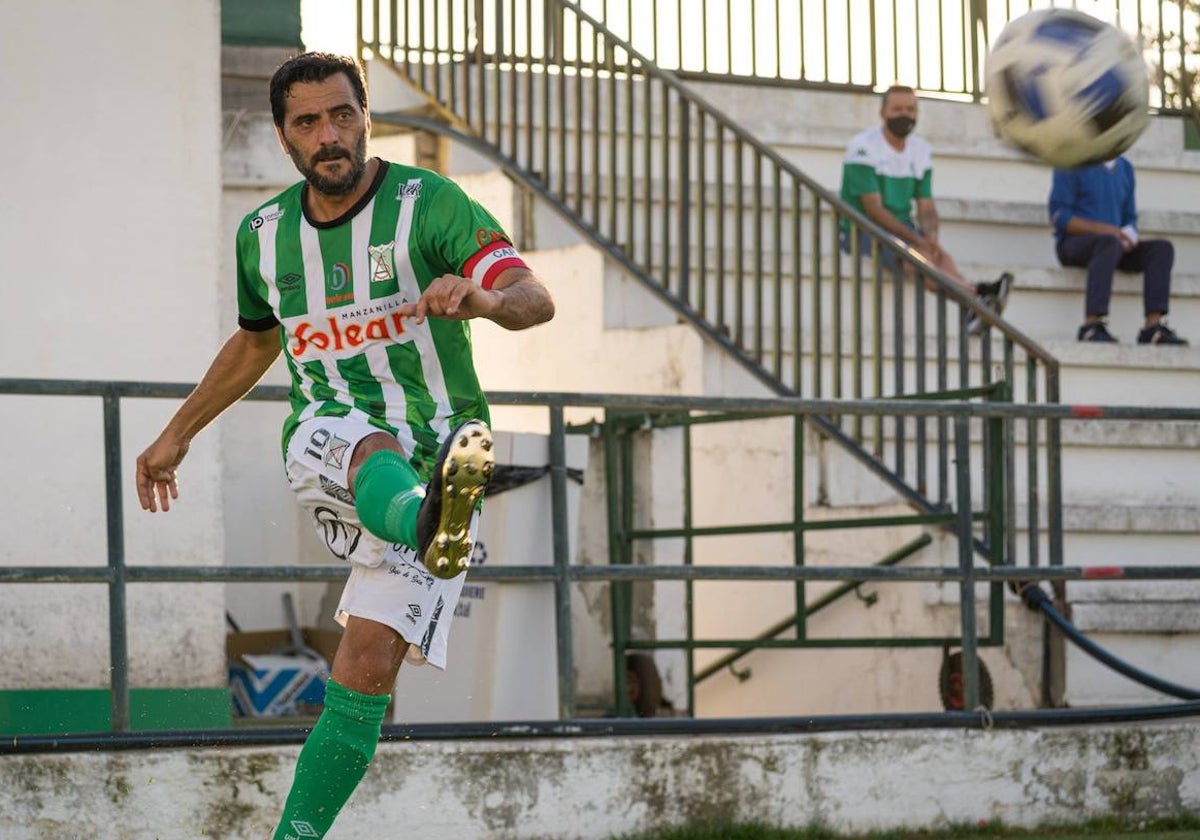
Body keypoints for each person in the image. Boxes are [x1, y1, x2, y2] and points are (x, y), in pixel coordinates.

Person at [134, 52, 554, 840]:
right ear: (283, 136)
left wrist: (486, 298)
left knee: (364, 668)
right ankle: (422, 521)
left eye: (343, 115)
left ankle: (294, 838)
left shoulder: (429, 204)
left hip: (443, 457)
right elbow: (257, 345)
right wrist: (175, 433)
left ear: (366, 116)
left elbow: (536, 299)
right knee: (362, 438)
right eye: (308, 122)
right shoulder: (262, 236)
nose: (330, 135)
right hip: (329, 440)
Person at [839, 84, 1012, 333]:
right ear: (882, 113)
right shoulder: (863, 147)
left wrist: (930, 239)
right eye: (897, 109)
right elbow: (873, 210)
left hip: (900, 228)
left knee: (940, 257)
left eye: (910, 109)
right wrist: (915, 240)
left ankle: (974, 304)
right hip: (862, 229)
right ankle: (978, 295)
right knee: (915, 261)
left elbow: (926, 206)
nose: (904, 115)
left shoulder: (920, 150)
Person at [1049, 156, 1188, 345]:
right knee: (1108, 243)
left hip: (1113, 246)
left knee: (1161, 249)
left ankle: (1152, 328)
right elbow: (1059, 217)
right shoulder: (1072, 159)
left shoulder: (1125, 168)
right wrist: (1108, 230)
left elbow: (1129, 217)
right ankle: (1091, 325)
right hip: (1073, 245)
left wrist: (1130, 234)